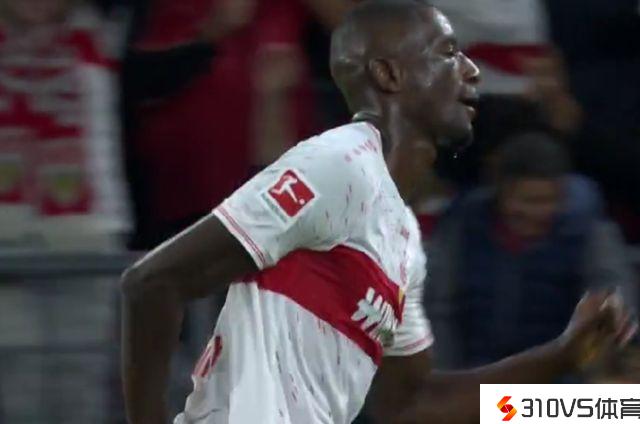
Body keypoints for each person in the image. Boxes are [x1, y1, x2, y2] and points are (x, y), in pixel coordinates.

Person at [120, 2, 636, 423]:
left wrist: (575, 378)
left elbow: (413, 406)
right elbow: (151, 282)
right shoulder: (334, 165)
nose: (472, 69)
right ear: (389, 74)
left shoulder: (400, 239)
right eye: (447, 53)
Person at [425, 134, 637, 371]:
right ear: (501, 192)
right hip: (475, 373)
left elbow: (611, 298)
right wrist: (446, 378)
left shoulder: (590, 234)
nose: (539, 212)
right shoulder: (463, 229)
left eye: (550, 200)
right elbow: (440, 308)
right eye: (528, 201)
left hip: (559, 377)